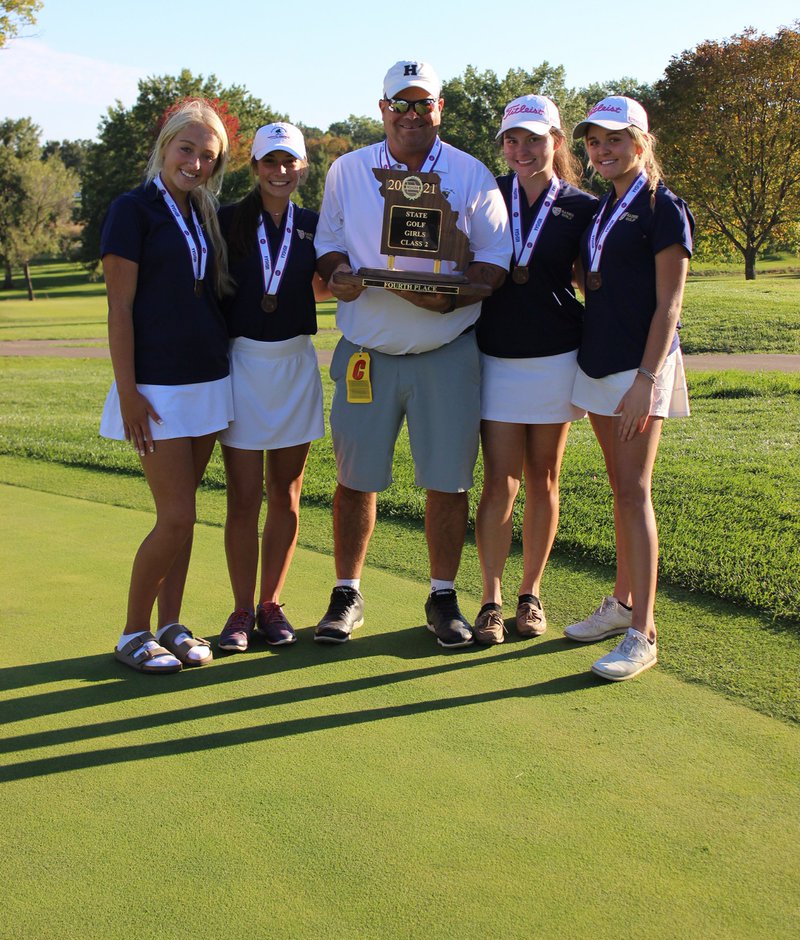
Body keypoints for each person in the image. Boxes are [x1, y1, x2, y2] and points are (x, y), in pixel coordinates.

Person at [313, 60, 512, 647]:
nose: (411, 114)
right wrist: (339, 273)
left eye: (423, 103)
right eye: (400, 103)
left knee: (448, 482)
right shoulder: (348, 170)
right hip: (367, 352)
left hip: (445, 350)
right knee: (355, 480)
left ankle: (442, 596)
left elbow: (495, 260)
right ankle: (347, 592)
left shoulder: (471, 173)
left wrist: (448, 298)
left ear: (439, 109)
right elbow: (328, 243)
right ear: (383, 109)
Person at [101, 99, 233, 674]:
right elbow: (120, 309)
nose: (196, 163)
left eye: (208, 156)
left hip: (208, 381)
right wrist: (128, 392)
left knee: (188, 516)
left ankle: (170, 624)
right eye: (187, 149)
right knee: (175, 516)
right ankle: (133, 631)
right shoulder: (131, 210)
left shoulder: (203, 211)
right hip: (157, 389)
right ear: (165, 145)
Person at [565, 96, 694, 681]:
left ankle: (644, 632)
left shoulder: (665, 207)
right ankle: (621, 604)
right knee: (620, 488)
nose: (602, 150)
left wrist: (647, 380)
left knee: (635, 491)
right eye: (594, 142)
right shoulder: (601, 209)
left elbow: (670, 305)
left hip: (641, 368)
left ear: (641, 143)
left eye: (615, 139)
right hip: (599, 362)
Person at [473, 95, 597, 644]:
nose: (522, 150)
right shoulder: (486, 196)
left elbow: (594, 281)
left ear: (557, 142)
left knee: (544, 477)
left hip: (555, 355)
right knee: (500, 480)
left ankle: (531, 594)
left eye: (534, 139)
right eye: (512, 140)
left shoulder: (582, 206)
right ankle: (491, 600)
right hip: (496, 355)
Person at [215, 123, 328, 652]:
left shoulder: (315, 225)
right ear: (255, 166)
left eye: (289, 162)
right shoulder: (226, 220)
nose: (280, 172)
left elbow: (326, 280)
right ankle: (241, 610)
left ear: (303, 166)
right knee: (243, 498)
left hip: (295, 364)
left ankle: (271, 605)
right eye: (270, 162)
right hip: (242, 364)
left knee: (286, 493)